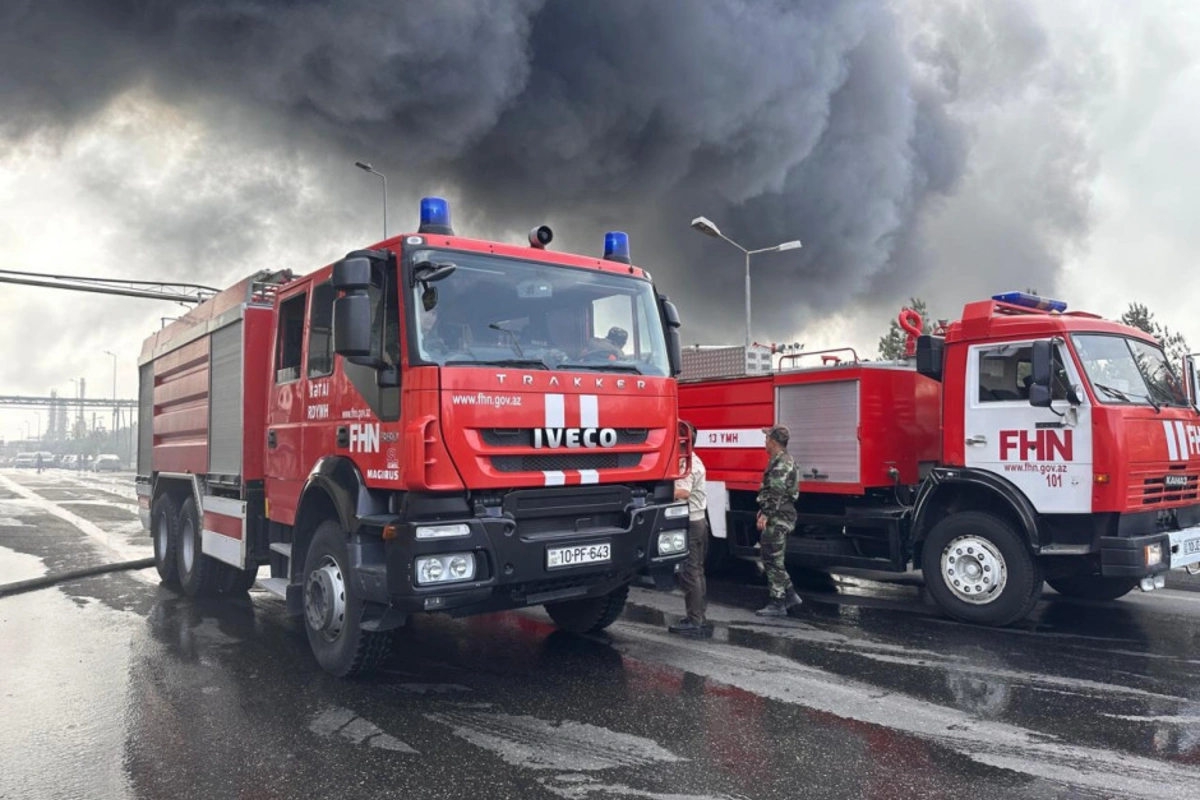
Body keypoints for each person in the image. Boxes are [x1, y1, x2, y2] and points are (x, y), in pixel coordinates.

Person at [755, 425, 803, 617]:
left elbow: (776, 492)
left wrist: (766, 514)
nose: (765, 441)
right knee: (771, 557)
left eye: (767, 438)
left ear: (773, 441)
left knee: (772, 559)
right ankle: (790, 594)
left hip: (778, 517)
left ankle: (778, 602)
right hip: (779, 514)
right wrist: (762, 510)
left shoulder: (781, 463)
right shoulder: (779, 460)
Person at [668, 424, 710, 639]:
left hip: (691, 522)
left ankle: (694, 621)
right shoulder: (697, 459)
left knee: (689, 572)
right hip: (700, 520)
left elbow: (683, 492)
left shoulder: (687, 463)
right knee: (698, 571)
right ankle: (699, 617)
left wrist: (662, 490)